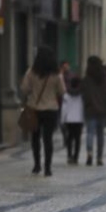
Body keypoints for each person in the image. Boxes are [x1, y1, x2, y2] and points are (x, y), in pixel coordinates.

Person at [21, 46, 66, 176]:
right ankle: (48, 167)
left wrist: (33, 91)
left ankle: (37, 165)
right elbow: (62, 91)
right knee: (48, 139)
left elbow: (24, 89)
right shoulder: (56, 74)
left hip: (34, 108)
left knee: (35, 138)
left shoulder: (31, 72)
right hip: (51, 109)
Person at [83, 56, 106, 167]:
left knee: (90, 133)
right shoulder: (104, 79)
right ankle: (100, 157)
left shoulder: (87, 79)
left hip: (90, 110)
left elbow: (83, 94)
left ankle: (89, 154)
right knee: (100, 134)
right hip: (102, 111)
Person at [61, 76, 85, 165]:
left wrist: (62, 120)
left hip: (69, 119)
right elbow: (83, 108)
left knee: (69, 138)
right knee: (77, 139)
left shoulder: (66, 95)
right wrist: (84, 119)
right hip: (79, 119)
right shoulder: (81, 95)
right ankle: (76, 157)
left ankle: (69, 155)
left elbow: (64, 109)